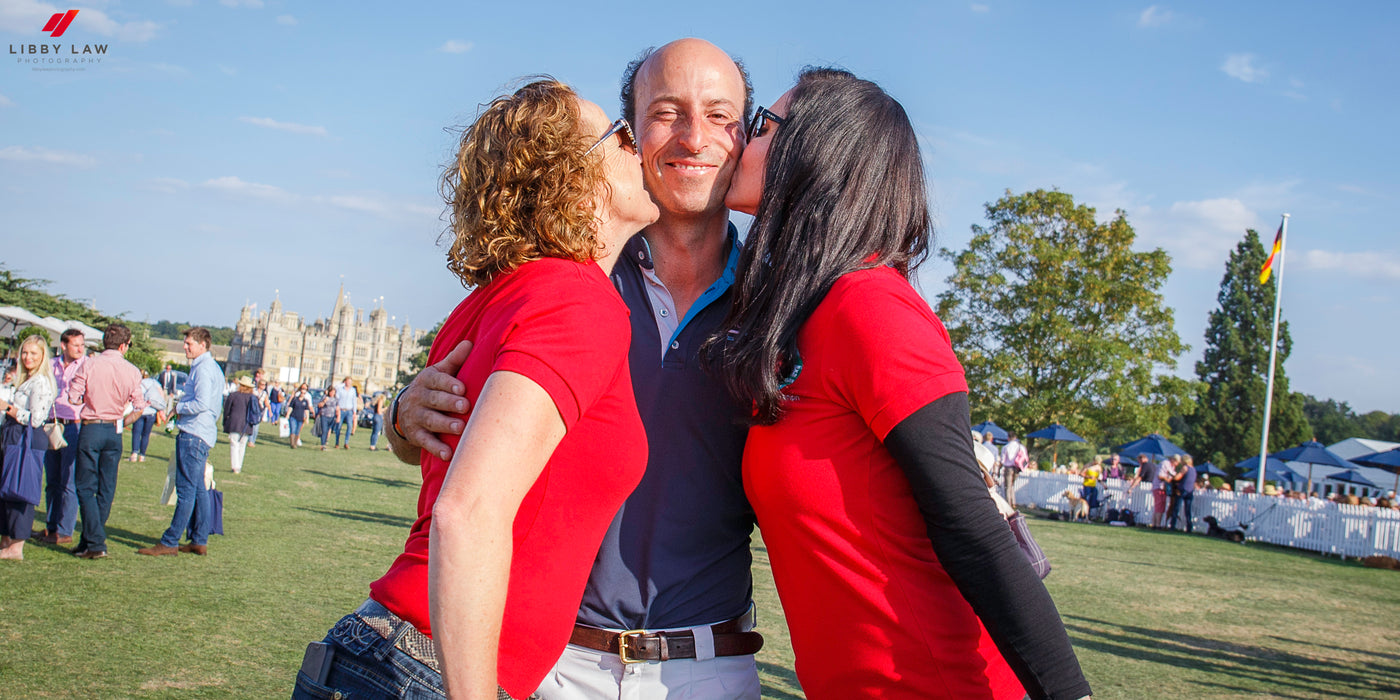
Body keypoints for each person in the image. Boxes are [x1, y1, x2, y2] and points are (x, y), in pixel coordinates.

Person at [389, 39, 765, 699]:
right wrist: (401, 414)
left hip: (710, 665)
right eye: (666, 112)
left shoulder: (779, 306)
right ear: (632, 134)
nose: (694, 136)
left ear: (746, 137)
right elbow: (462, 466)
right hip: (555, 667)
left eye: (719, 115)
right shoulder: (570, 280)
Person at [703, 67, 1089, 700]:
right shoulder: (803, 319)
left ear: (815, 153)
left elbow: (970, 522)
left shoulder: (871, 308)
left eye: (760, 126)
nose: (743, 139)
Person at [295, 78, 656, 700]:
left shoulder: (495, 299)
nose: (640, 145)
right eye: (621, 136)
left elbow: (431, 447)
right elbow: (466, 511)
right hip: (427, 673)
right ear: (573, 176)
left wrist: (399, 422)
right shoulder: (576, 299)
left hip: (391, 656)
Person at [138, 327, 225, 557]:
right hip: (202, 433)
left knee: (186, 490)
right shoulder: (212, 367)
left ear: (203, 345)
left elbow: (202, 403)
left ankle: (170, 541)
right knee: (198, 489)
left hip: (194, 434)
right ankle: (199, 539)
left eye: (189, 344)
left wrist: (178, 407)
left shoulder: (204, 369)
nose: (185, 347)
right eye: (185, 343)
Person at [67, 323, 147, 559]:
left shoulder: (89, 364)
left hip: (92, 427)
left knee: (84, 487)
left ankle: (95, 541)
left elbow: (73, 397)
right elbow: (140, 406)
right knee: (106, 488)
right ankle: (90, 540)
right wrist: (123, 420)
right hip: (114, 429)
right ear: (124, 346)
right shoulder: (132, 370)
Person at [0, 336, 57, 560]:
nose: (27, 357)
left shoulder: (41, 382)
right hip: (13, 435)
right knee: (6, 488)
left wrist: (10, 409)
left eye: (33, 353)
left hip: (27, 438)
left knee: (20, 488)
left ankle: (17, 546)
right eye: (25, 352)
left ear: (43, 356)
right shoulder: (26, 379)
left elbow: (36, 419)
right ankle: (7, 539)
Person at [39, 328, 86, 545]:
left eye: (81, 344)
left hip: (73, 425)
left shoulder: (86, 366)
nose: (80, 349)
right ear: (64, 345)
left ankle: (65, 530)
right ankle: (50, 527)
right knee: (52, 479)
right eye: (75, 345)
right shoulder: (50, 364)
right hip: (51, 423)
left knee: (69, 479)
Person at [129, 370, 168, 463]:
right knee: (146, 435)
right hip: (151, 412)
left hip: (140, 411)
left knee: (136, 433)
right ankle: (142, 456)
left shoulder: (138, 383)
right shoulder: (155, 383)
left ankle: (134, 454)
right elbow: (161, 397)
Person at [222, 376, 258, 474]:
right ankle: (239, 466)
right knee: (242, 445)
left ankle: (235, 466)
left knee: (234, 444)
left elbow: (226, 410)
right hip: (247, 423)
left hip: (234, 422)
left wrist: (225, 421)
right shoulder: (252, 397)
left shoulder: (233, 395)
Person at [1168, 454, 1197, 532]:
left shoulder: (1185, 468)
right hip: (1190, 491)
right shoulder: (1193, 469)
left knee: (1176, 508)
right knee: (1188, 510)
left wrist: (1173, 476)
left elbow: (1178, 477)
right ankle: (1189, 527)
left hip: (1182, 490)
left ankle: (1172, 526)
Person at [1000, 432, 1028, 508]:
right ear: (1015, 437)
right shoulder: (1021, 447)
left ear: (1008, 437)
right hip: (1017, 468)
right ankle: (1013, 502)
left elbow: (1002, 460)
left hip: (1008, 468)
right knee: (1012, 485)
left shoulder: (1006, 447)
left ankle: (1008, 503)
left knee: (1007, 487)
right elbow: (1025, 457)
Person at [1151, 454, 1179, 529]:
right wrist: (1168, 479)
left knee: (1159, 506)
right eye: (1177, 462)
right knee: (1160, 506)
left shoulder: (1171, 466)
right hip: (1159, 487)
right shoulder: (1165, 464)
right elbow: (1160, 475)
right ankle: (1157, 525)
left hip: (1162, 488)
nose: (1177, 464)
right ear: (1173, 460)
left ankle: (1154, 524)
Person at [335, 377, 357, 449]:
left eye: (350, 382)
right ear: (345, 382)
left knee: (349, 426)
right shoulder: (340, 390)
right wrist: (337, 408)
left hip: (349, 410)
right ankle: (337, 442)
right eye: (348, 381)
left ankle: (346, 442)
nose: (349, 383)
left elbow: (354, 401)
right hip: (341, 410)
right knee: (338, 426)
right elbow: (337, 399)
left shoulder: (353, 390)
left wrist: (354, 412)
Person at [315, 387, 339, 451]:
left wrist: (338, 416)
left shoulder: (336, 399)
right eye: (331, 392)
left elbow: (337, 408)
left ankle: (325, 441)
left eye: (333, 392)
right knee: (324, 430)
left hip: (332, 416)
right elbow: (319, 405)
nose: (332, 393)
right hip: (324, 415)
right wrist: (324, 401)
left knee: (328, 430)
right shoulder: (325, 397)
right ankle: (323, 445)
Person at [287, 384, 311, 449]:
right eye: (302, 392)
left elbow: (306, 410)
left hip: (300, 418)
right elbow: (291, 407)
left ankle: (295, 443)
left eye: (304, 393)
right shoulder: (295, 399)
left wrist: (307, 418)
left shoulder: (305, 401)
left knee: (297, 431)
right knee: (293, 430)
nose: (302, 394)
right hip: (293, 416)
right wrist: (287, 415)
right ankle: (292, 444)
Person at [248, 373, 269, 446]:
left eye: (265, 385)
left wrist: (270, 411)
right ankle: (250, 441)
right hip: (252, 409)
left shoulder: (265, 393)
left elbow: (266, 402)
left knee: (256, 427)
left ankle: (252, 441)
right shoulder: (254, 391)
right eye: (262, 384)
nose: (263, 386)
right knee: (251, 424)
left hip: (259, 410)